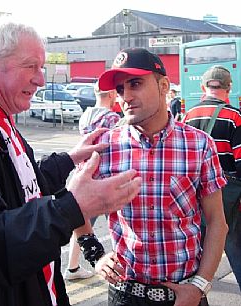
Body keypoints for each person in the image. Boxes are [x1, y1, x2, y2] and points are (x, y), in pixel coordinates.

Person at [0, 17, 143, 306]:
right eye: (30, 66)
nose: (41, 79)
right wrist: (74, 206)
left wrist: (69, 159)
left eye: (41, 67)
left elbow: (23, 188)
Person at [76, 48, 228, 306]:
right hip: (125, 295)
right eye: (121, 89)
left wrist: (199, 286)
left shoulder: (199, 145)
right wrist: (96, 255)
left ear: (164, 85)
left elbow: (217, 223)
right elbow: (73, 206)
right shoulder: (103, 146)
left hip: (185, 295)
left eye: (135, 83)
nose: (126, 97)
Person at [183, 65, 241, 291]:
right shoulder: (235, 116)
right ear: (229, 88)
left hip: (195, 196)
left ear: (203, 87)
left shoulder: (187, 116)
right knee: (236, 249)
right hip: (227, 197)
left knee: (196, 253)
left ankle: (193, 292)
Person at [64, 82, 121, 281]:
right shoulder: (112, 118)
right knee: (118, 224)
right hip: (103, 177)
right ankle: (119, 265)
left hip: (83, 175)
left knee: (81, 225)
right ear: (112, 94)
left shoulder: (86, 115)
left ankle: (72, 267)